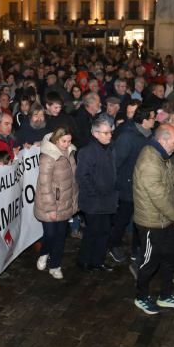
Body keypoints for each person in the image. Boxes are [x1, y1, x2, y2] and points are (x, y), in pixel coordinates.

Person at [132, 125, 174, 314]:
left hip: (163, 219)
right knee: (150, 262)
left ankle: (166, 296)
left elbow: (167, 182)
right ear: (163, 140)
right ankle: (141, 297)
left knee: (170, 256)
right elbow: (158, 197)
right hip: (151, 222)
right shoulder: (150, 161)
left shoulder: (159, 155)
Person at [109, 105, 155, 264]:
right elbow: (116, 163)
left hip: (144, 186)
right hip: (128, 185)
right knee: (123, 218)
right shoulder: (127, 137)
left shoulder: (149, 135)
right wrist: (115, 185)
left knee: (140, 219)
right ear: (144, 121)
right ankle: (114, 244)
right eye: (152, 117)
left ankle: (137, 247)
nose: (154, 120)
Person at [34, 125, 78, 279]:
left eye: (69, 141)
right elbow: (44, 185)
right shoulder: (47, 157)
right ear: (56, 140)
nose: (66, 144)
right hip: (49, 202)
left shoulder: (70, 152)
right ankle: (44, 253)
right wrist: (51, 208)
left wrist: (74, 199)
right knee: (50, 234)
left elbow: (73, 178)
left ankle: (55, 266)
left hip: (65, 201)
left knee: (60, 235)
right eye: (64, 141)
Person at [75, 118, 117, 273]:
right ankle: (84, 261)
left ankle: (98, 261)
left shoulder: (112, 148)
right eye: (105, 132)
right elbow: (81, 176)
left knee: (105, 231)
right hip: (93, 200)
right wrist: (94, 193)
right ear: (95, 134)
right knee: (92, 232)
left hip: (108, 199)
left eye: (110, 132)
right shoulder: (87, 151)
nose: (109, 135)